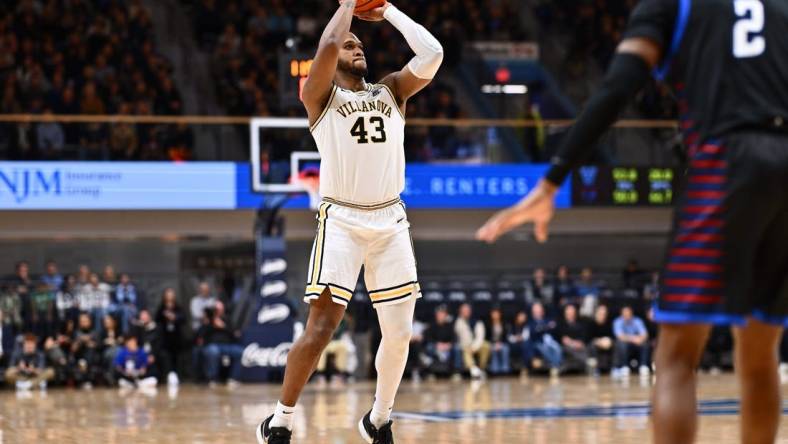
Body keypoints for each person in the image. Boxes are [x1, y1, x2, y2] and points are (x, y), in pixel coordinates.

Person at [477, 0, 788, 441]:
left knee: (677, 357)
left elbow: (617, 88)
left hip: (727, 160)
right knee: (761, 354)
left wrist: (551, 181)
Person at [257, 2, 443, 443]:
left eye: (360, 44)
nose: (357, 48)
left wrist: (389, 11)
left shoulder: (391, 90)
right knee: (321, 328)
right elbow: (326, 43)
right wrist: (345, 5)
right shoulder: (319, 97)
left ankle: (378, 419)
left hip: (391, 220)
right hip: (341, 219)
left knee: (398, 335)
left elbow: (432, 53)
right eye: (350, 44)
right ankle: (280, 420)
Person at [196, 301, 242, 387]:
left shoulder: (227, 320)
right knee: (213, 351)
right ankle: (212, 378)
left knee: (239, 351)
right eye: (216, 309)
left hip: (227, 346)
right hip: (212, 345)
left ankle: (233, 378)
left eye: (220, 309)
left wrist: (223, 326)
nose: (218, 311)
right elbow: (200, 334)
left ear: (223, 309)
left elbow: (235, 334)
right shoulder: (208, 321)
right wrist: (210, 324)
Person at [155, 288, 186, 386]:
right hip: (165, 337)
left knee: (177, 358)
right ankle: (166, 377)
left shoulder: (178, 307)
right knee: (166, 358)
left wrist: (174, 317)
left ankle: (178, 377)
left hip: (176, 338)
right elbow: (157, 318)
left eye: (171, 294)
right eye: (168, 294)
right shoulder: (161, 307)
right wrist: (165, 315)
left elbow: (184, 319)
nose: (169, 296)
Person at [612, 306, 651, 378]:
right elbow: (620, 336)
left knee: (645, 344)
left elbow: (645, 334)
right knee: (621, 344)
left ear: (631, 313)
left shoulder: (638, 320)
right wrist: (634, 338)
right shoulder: (618, 321)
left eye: (628, 313)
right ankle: (624, 367)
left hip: (637, 344)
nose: (626, 315)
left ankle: (644, 366)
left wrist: (640, 339)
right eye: (625, 313)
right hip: (626, 343)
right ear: (622, 314)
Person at [454, 303, 489, 379]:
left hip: (476, 345)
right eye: (464, 311)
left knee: (486, 346)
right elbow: (461, 338)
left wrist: (474, 347)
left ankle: (482, 368)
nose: (466, 312)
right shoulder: (458, 322)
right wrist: (469, 347)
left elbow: (480, 337)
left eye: (467, 311)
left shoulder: (477, 321)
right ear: (460, 312)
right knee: (465, 349)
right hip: (465, 345)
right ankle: (473, 369)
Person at [528, 302, 562, 377]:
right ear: (533, 312)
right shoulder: (531, 323)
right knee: (544, 349)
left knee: (557, 348)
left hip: (550, 341)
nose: (538, 312)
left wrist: (543, 328)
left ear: (542, 311)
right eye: (536, 311)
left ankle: (556, 365)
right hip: (538, 342)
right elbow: (533, 333)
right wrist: (545, 327)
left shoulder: (547, 319)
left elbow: (554, 327)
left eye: (539, 310)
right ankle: (556, 366)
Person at [423, 305, 458, 377]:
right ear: (436, 315)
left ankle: (456, 372)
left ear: (446, 315)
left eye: (442, 314)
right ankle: (430, 372)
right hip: (435, 346)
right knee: (429, 347)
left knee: (456, 348)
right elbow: (427, 338)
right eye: (439, 314)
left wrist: (449, 345)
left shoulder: (450, 325)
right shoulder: (431, 325)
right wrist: (437, 344)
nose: (440, 316)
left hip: (447, 346)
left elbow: (454, 338)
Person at [557, 304, 589, 374]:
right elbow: (564, 340)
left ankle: (581, 364)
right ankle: (585, 363)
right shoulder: (561, 324)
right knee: (567, 349)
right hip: (566, 347)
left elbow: (583, 338)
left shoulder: (581, 324)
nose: (570, 314)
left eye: (572, 312)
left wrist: (575, 343)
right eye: (568, 312)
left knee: (584, 349)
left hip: (579, 346)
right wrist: (573, 343)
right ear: (565, 313)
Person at [587, 305, 614, 374]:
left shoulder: (609, 323)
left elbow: (612, 336)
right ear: (596, 313)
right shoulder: (591, 323)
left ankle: (614, 367)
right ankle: (596, 368)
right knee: (592, 346)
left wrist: (608, 341)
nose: (602, 315)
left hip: (606, 343)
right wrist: (598, 342)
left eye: (604, 314)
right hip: (595, 343)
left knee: (615, 345)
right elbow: (588, 338)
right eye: (600, 313)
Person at [485, 308, 511, 375]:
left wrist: (500, 343)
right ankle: (494, 369)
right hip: (492, 343)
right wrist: (494, 343)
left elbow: (506, 337)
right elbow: (486, 337)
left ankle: (505, 368)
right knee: (493, 349)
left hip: (502, 343)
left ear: (500, 314)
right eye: (493, 313)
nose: (495, 315)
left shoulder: (504, 324)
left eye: (497, 314)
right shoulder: (488, 324)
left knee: (505, 349)